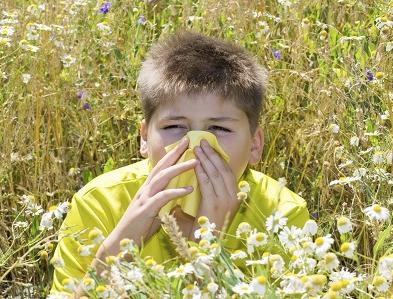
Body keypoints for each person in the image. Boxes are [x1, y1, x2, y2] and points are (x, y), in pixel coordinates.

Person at [50, 30, 309, 295]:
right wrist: (121, 244)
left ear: (255, 144)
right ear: (144, 138)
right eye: (175, 126)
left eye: (219, 128)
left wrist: (209, 245)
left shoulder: (283, 213)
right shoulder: (99, 203)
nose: (196, 144)